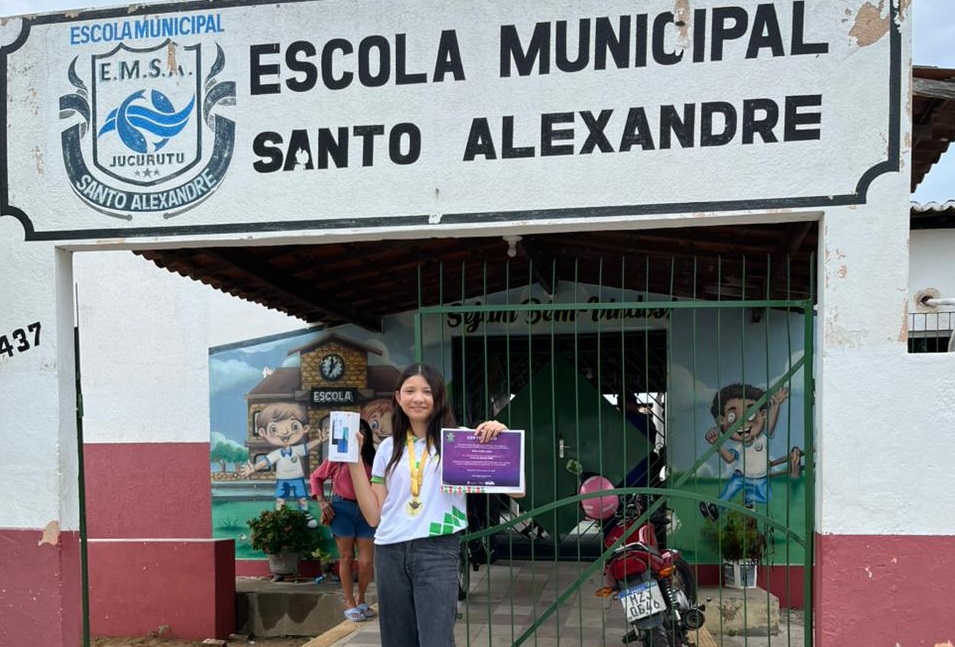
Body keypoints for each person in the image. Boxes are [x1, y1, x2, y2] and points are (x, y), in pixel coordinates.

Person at [347, 362, 522, 647]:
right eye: (410, 391)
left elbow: (518, 493)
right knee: (397, 641)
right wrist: (354, 461)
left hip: (437, 550)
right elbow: (372, 516)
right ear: (398, 397)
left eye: (426, 391)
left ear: (438, 397)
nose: (418, 398)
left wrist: (500, 438)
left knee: (436, 640)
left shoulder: (461, 441)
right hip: (389, 552)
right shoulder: (387, 450)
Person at [309, 419, 377, 622]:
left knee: (366, 562)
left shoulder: (374, 458)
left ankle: (362, 599)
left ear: (366, 435)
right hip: (342, 509)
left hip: (367, 511)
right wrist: (321, 501)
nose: (359, 435)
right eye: (354, 431)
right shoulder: (338, 458)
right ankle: (349, 601)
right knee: (346, 557)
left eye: (362, 431)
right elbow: (315, 477)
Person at [699, 383, 789, 521]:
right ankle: (715, 509)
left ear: (763, 414)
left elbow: (770, 426)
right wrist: (717, 443)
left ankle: (749, 503)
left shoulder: (762, 439)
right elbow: (729, 458)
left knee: (764, 495)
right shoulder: (739, 448)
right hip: (740, 477)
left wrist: (776, 405)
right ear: (722, 421)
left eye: (751, 414)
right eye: (732, 417)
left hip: (761, 477)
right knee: (729, 489)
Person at [240, 402, 321, 527]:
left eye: (294, 426)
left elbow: (308, 447)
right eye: (274, 429)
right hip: (282, 480)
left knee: (302, 498)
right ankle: (279, 517)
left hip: (297, 478)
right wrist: (253, 468)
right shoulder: (277, 453)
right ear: (262, 432)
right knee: (280, 499)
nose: (285, 433)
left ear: (304, 429)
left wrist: (321, 440)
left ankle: (306, 515)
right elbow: (265, 462)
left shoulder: (296, 450)